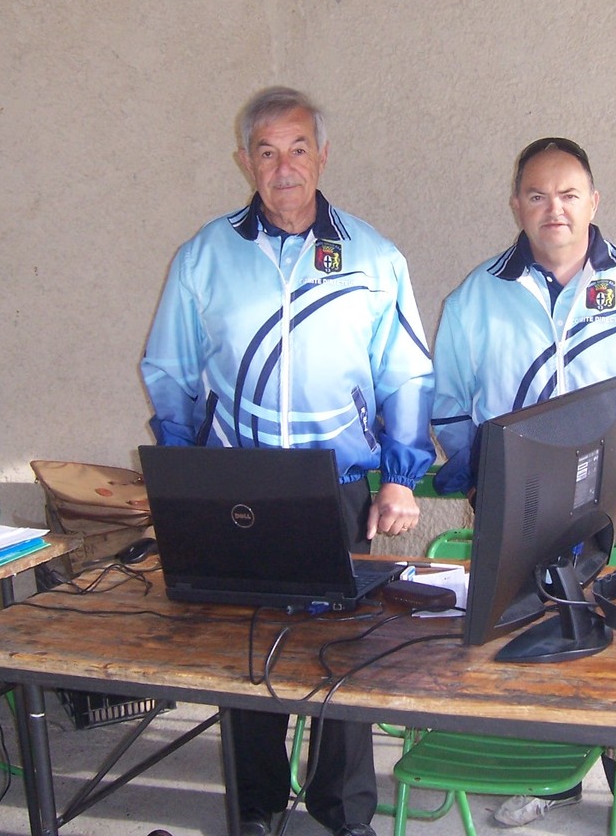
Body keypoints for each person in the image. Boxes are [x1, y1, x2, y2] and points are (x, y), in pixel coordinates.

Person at [140, 86, 434, 836]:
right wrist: (182, 480)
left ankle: (342, 814)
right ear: (245, 161)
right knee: (245, 652)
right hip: (242, 488)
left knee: (343, 652)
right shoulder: (205, 256)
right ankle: (257, 807)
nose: (284, 166)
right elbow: (172, 370)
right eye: (267, 152)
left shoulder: (373, 256)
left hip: (337, 490)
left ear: (322, 155)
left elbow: (405, 373)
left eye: (298, 148)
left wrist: (400, 476)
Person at [430, 137, 616, 836]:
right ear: (517, 205)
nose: (553, 209)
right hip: (527, 513)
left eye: (568, 195)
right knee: (536, 645)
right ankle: (549, 780)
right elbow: (449, 401)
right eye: (537, 195)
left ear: (593, 202)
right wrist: (472, 482)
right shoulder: (479, 297)